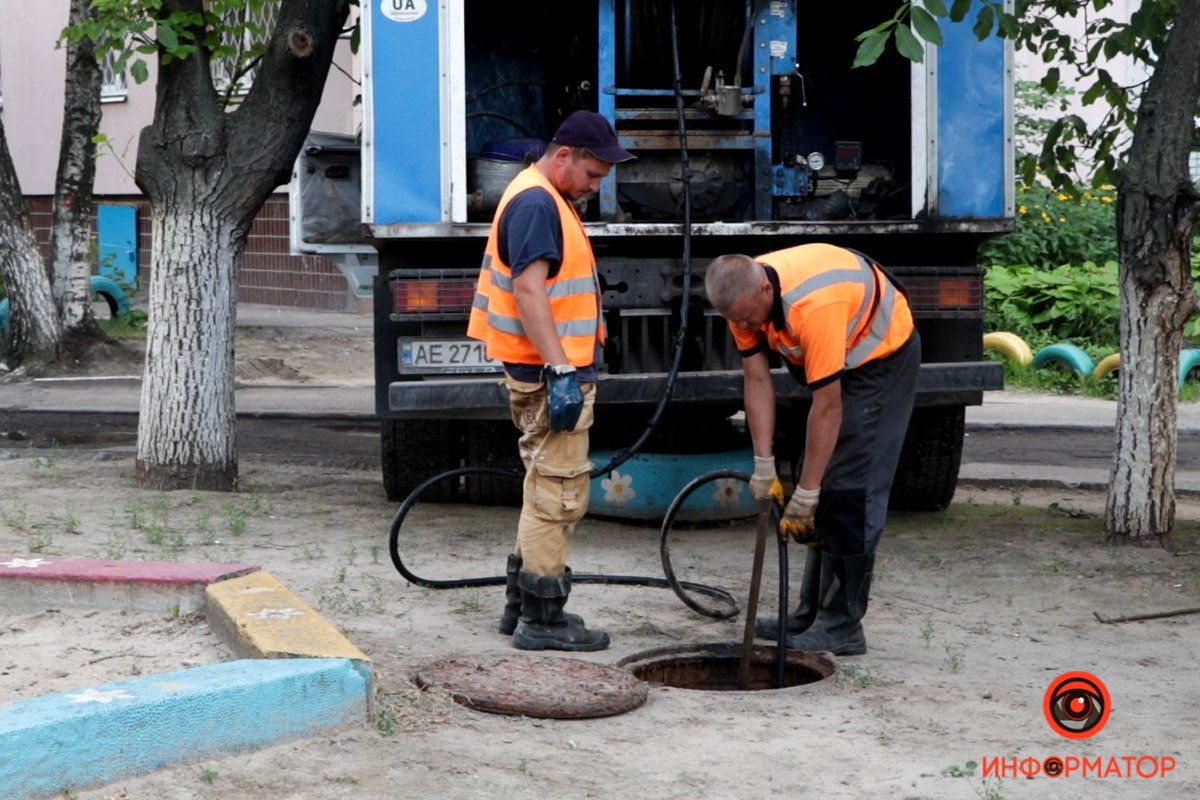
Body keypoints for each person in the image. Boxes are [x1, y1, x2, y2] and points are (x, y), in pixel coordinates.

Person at [466, 110, 635, 652]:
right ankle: (542, 619)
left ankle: (521, 606)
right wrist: (561, 368)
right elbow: (531, 291)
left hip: (536, 367)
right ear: (564, 155)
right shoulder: (539, 201)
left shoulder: (539, 194)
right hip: (548, 373)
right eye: (591, 176)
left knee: (542, 484)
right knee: (559, 493)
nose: (593, 188)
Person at [704, 244, 920, 656]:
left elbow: (828, 407)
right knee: (814, 471)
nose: (746, 325)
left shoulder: (813, 306)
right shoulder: (741, 301)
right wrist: (763, 466)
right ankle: (811, 613)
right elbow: (757, 381)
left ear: (767, 291)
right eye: (737, 320)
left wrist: (806, 494)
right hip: (843, 351)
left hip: (881, 358)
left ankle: (843, 624)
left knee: (850, 485)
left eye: (750, 317)